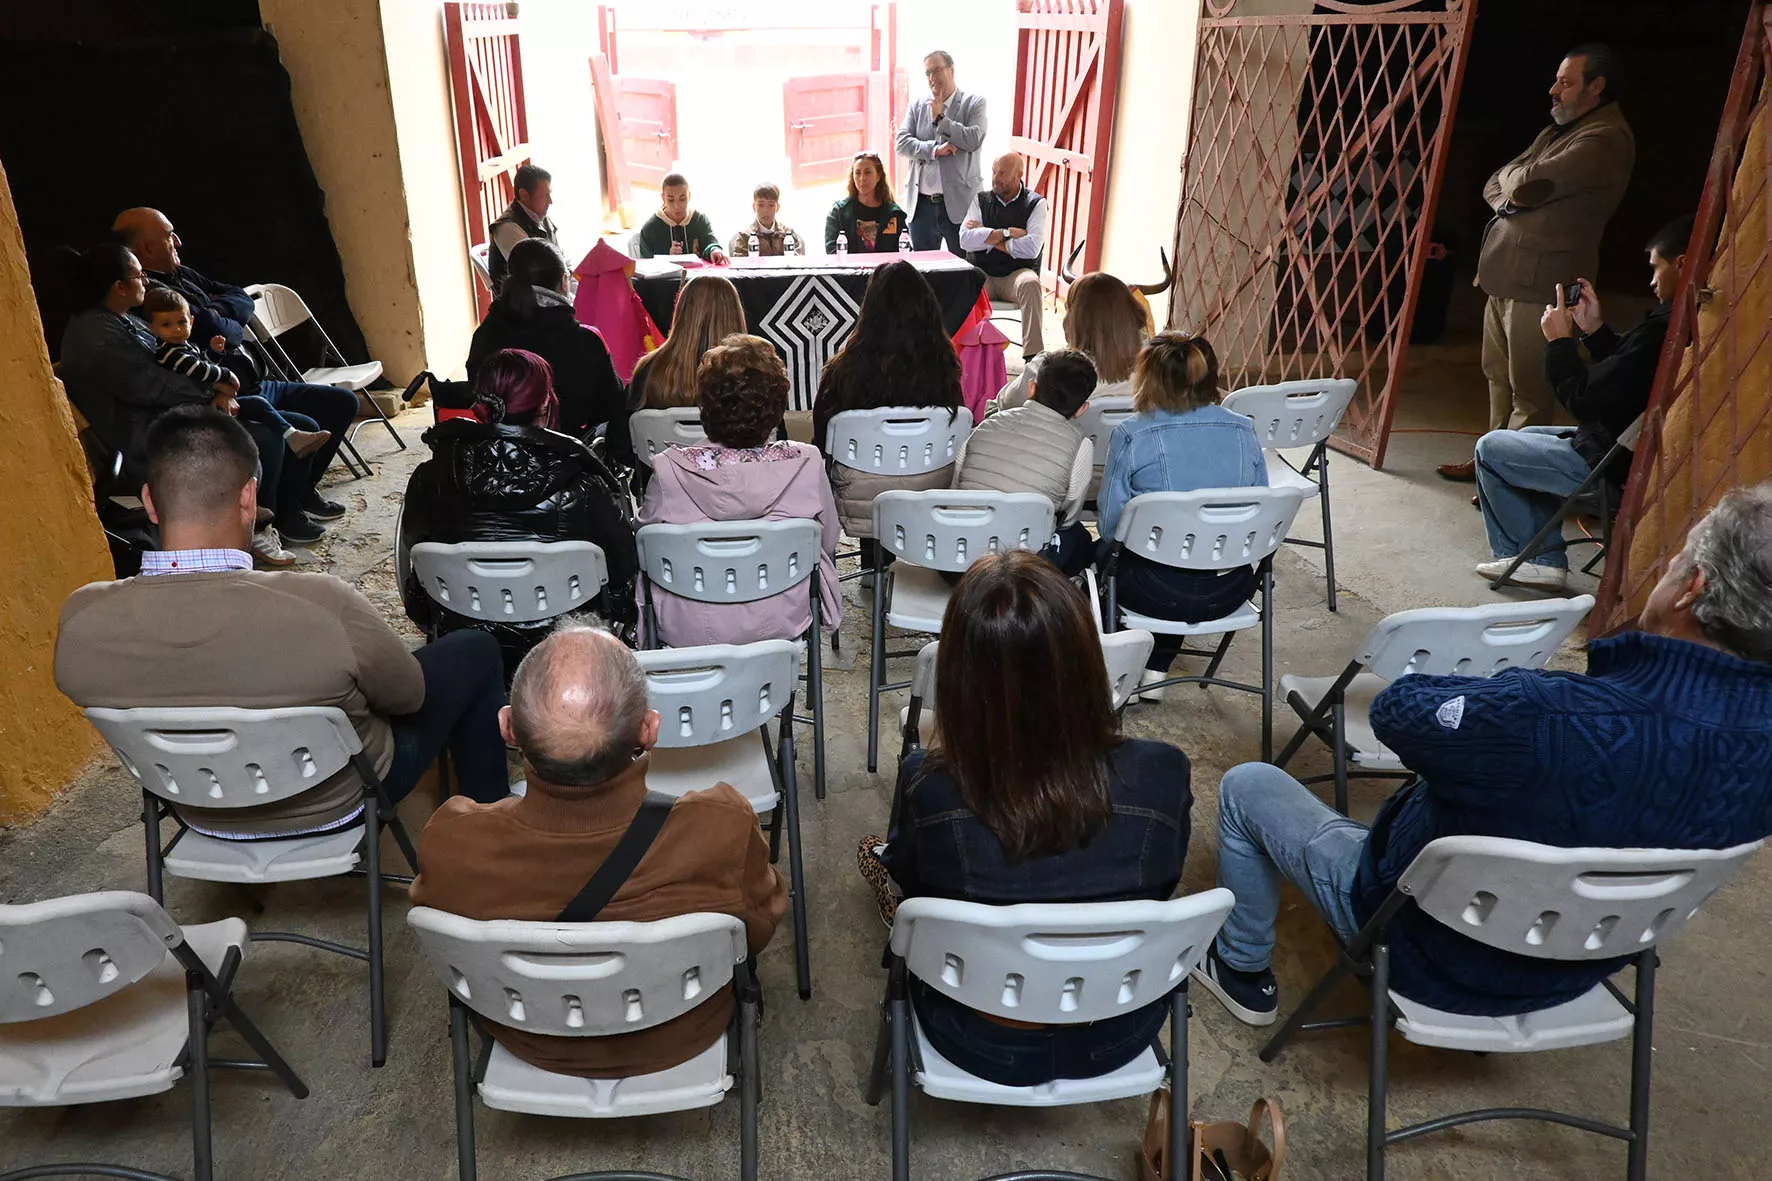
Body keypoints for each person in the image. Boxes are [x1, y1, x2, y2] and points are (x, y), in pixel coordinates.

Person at [1194, 483, 1772, 1027]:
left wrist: (1499, 690)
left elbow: (1395, 710)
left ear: (1692, 588)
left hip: (1428, 948)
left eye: (1674, 562)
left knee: (1249, 785)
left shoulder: (1547, 713)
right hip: (1580, 964)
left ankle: (1239, 967)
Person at [55, 406, 511, 840]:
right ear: (249, 497)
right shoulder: (323, 604)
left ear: (150, 503)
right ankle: (491, 829)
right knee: (474, 648)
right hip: (339, 803)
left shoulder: (82, 620)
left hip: (195, 809)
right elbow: (407, 696)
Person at [862, 551, 1192, 1087]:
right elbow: (1163, 884)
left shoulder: (931, 785)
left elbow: (915, 888)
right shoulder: (1163, 772)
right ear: (1086, 657)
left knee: (889, 871)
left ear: (959, 674)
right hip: (1118, 1030)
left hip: (975, 1035)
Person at [409, 625, 788, 1079]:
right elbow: (758, 929)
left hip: (527, 1035)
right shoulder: (722, 826)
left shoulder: (452, 841)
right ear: (650, 730)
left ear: (507, 727)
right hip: (682, 1032)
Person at [1439, 44, 1635, 481]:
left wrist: (1514, 184)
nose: (1554, 91)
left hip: (1543, 282)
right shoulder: (1556, 133)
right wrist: (1512, 192)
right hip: (1506, 275)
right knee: (1498, 375)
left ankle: (1510, 476)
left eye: (1566, 82)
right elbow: (1498, 181)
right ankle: (1489, 459)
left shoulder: (1603, 138)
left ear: (1596, 86)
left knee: (1529, 388)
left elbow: (1528, 179)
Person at [1472, 216, 1690, 593]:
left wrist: (1560, 343)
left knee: (1490, 449)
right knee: (1528, 436)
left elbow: (1585, 400)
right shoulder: (1682, 320)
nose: (1652, 281)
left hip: (1611, 466)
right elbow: (1629, 376)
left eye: (1657, 268)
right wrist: (1594, 330)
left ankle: (1538, 560)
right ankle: (1541, 555)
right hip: (1621, 446)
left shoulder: (1663, 330)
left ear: (1683, 264)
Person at [111, 207, 360, 529]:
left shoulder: (183, 274)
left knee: (342, 403)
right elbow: (216, 329)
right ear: (146, 248)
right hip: (232, 393)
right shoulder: (155, 297)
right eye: (169, 236)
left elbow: (240, 298)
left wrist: (216, 314)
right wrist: (223, 320)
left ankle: (302, 491)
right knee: (297, 427)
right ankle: (286, 512)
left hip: (260, 382)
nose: (178, 241)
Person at [56, 244, 300, 568]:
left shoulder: (118, 318)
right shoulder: (96, 334)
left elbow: (174, 364)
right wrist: (214, 387)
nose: (146, 280)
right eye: (139, 275)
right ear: (119, 287)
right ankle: (245, 536)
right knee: (256, 443)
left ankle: (262, 525)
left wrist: (217, 392)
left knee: (277, 427)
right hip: (141, 439)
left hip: (164, 416)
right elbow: (152, 386)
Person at [400, 348, 639, 671]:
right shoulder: (583, 486)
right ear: (545, 405)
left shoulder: (428, 480)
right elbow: (623, 570)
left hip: (465, 639)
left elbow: (416, 563)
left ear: (480, 404)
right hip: (566, 647)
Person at [637, 334, 841, 647]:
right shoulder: (806, 463)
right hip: (781, 618)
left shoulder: (668, 470)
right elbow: (827, 541)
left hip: (689, 625)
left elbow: (646, 548)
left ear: (705, 405)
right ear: (777, 407)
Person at [1097, 333, 1266, 696]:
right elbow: (1260, 513)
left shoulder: (1132, 434)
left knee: (1109, 555)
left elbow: (1111, 527)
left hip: (1150, 591)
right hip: (1228, 589)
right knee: (1186, 553)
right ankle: (1156, 670)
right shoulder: (1244, 429)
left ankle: (1124, 671)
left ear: (1147, 379)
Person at [811, 260, 964, 547]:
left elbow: (821, 441)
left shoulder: (842, 372)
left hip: (858, 498)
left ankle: (874, 562)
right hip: (929, 490)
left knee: (866, 473)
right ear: (929, 310)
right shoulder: (945, 370)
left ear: (868, 311)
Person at [142, 287, 332, 461]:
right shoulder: (169, 353)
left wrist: (213, 353)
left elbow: (204, 364)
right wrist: (226, 374)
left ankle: (294, 436)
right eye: (166, 325)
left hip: (213, 401)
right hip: (202, 411)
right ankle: (293, 436)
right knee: (258, 404)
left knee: (262, 405)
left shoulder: (184, 346)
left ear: (191, 321)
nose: (176, 329)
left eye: (182, 322)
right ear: (152, 328)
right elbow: (198, 369)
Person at [466, 238, 626, 440]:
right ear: (564, 282)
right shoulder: (586, 341)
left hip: (496, 449)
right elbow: (613, 409)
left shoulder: (485, 334)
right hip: (570, 452)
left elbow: (476, 392)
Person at [953, 348, 1095, 575]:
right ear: (1082, 409)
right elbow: (1069, 515)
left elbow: (955, 486)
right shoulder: (1081, 446)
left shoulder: (987, 425)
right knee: (1079, 537)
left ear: (1031, 388)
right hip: (1022, 572)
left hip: (957, 560)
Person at [998, 271, 1147, 410]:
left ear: (1075, 321)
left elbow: (1007, 403)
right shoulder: (1152, 370)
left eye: (1068, 309)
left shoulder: (1046, 369)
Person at [896, 50, 988, 256]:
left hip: (959, 204)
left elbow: (973, 139)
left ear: (952, 70)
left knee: (964, 265)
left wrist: (940, 120)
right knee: (922, 269)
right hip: (921, 206)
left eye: (937, 70)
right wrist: (934, 150)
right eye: (927, 73)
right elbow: (901, 143)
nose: (932, 78)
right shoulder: (917, 106)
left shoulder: (974, 104)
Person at [959, 152, 1048, 359]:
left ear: (1019, 175)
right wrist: (1006, 233)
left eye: (1002, 173)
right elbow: (965, 240)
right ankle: (965, 355)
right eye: (994, 172)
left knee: (1031, 283)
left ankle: (1033, 357)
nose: (995, 178)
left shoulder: (1036, 204)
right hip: (984, 274)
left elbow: (1032, 248)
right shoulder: (980, 200)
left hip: (1016, 275)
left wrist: (987, 236)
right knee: (964, 282)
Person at [487, 162, 559, 290]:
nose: (550, 201)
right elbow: (536, 276)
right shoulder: (507, 228)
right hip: (525, 298)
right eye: (545, 195)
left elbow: (561, 259)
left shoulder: (543, 219)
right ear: (524, 195)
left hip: (549, 291)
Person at [823, 153, 908, 255]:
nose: (862, 178)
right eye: (857, 173)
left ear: (878, 176)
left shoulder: (894, 214)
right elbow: (832, 251)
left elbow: (904, 251)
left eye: (868, 172)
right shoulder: (838, 212)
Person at [632, 173, 727, 263]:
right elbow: (647, 263)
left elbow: (709, 242)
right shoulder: (651, 228)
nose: (677, 206)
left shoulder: (699, 220)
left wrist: (714, 250)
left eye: (682, 199)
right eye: (671, 200)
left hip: (699, 274)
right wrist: (668, 257)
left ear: (689, 196)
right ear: (663, 197)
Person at [728, 182, 805, 258]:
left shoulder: (788, 235)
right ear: (754, 207)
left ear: (777, 207)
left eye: (771, 205)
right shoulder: (744, 236)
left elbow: (798, 261)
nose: (766, 210)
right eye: (761, 205)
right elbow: (740, 263)